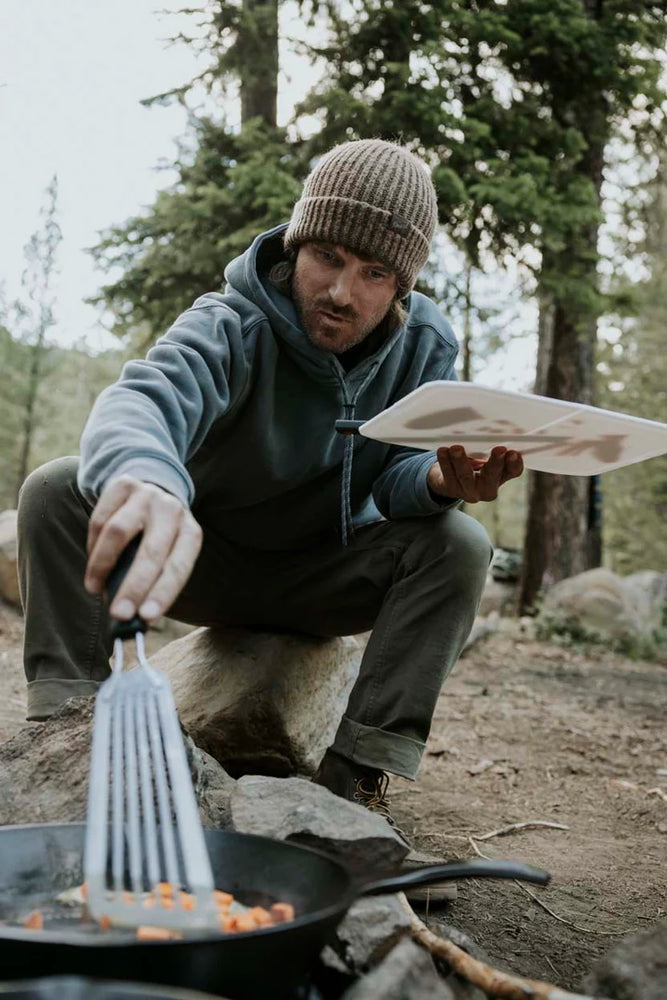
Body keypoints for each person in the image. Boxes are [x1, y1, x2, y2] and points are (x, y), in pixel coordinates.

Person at [17, 139, 523, 824]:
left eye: (374, 273)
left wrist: (435, 478)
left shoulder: (425, 347)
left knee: (459, 542)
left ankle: (353, 785)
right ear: (295, 247)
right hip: (202, 564)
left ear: (401, 286)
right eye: (327, 258)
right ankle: (66, 739)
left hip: (325, 578)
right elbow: (146, 397)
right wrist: (147, 478)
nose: (342, 293)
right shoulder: (231, 322)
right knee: (55, 490)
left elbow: (395, 476)